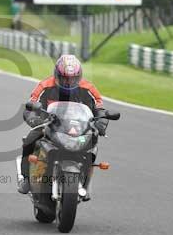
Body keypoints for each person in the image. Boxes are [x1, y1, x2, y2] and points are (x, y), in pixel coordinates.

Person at [17, 54, 109, 194]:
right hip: (50, 126)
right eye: (65, 78)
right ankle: (26, 178)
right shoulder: (45, 86)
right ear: (57, 75)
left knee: (93, 142)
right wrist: (34, 119)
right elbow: (30, 105)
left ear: (79, 76)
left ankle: (85, 179)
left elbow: (100, 109)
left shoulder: (88, 88)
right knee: (29, 140)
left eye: (73, 78)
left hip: (78, 129)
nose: (68, 82)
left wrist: (101, 122)